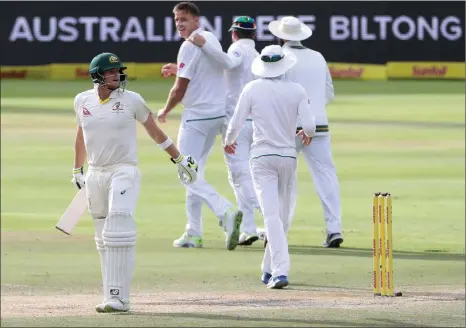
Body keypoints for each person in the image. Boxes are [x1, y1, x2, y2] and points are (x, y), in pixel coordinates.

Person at [72, 52, 198, 313]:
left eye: (118, 72)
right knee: (102, 239)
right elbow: (81, 136)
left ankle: (120, 298)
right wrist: (77, 169)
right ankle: (110, 295)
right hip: (96, 173)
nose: (116, 76)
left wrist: (179, 159)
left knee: (118, 228)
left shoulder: (132, 100)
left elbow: (155, 132)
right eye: (110, 72)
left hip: (124, 170)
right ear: (97, 75)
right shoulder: (82, 101)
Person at [224, 45, 316, 289]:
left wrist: (228, 142)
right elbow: (310, 127)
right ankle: (272, 269)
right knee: (279, 217)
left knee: (274, 216)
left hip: (262, 156)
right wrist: (305, 133)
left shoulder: (252, 88)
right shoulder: (297, 89)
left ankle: (277, 271)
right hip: (287, 156)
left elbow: (235, 123)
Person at [158, 1, 243, 251]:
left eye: (184, 19)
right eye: (176, 20)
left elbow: (180, 88)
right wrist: (177, 70)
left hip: (196, 119)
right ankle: (193, 232)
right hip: (216, 116)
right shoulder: (211, 39)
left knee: (187, 173)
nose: (180, 24)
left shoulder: (189, 45)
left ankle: (224, 210)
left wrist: (165, 110)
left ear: (196, 20)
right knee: (196, 172)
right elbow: (207, 72)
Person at [268, 16, 344, 248]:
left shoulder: (280, 56)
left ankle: (279, 230)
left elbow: (274, 92)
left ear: (281, 36)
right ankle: (334, 228)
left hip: (290, 126)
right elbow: (328, 93)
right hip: (319, 123)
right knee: (326, 176)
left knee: (284, 179)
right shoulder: (318, 56)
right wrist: (313, 108)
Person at [187, 16, 262, 246]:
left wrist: (204, 45)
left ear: (234, 33)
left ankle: (271, 216)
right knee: (240, 175)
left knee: (240, 175)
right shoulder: (257, 55)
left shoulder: (238, 49)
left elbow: (229, 64)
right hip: (255, 121)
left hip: (237, 122)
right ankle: (248, 228)